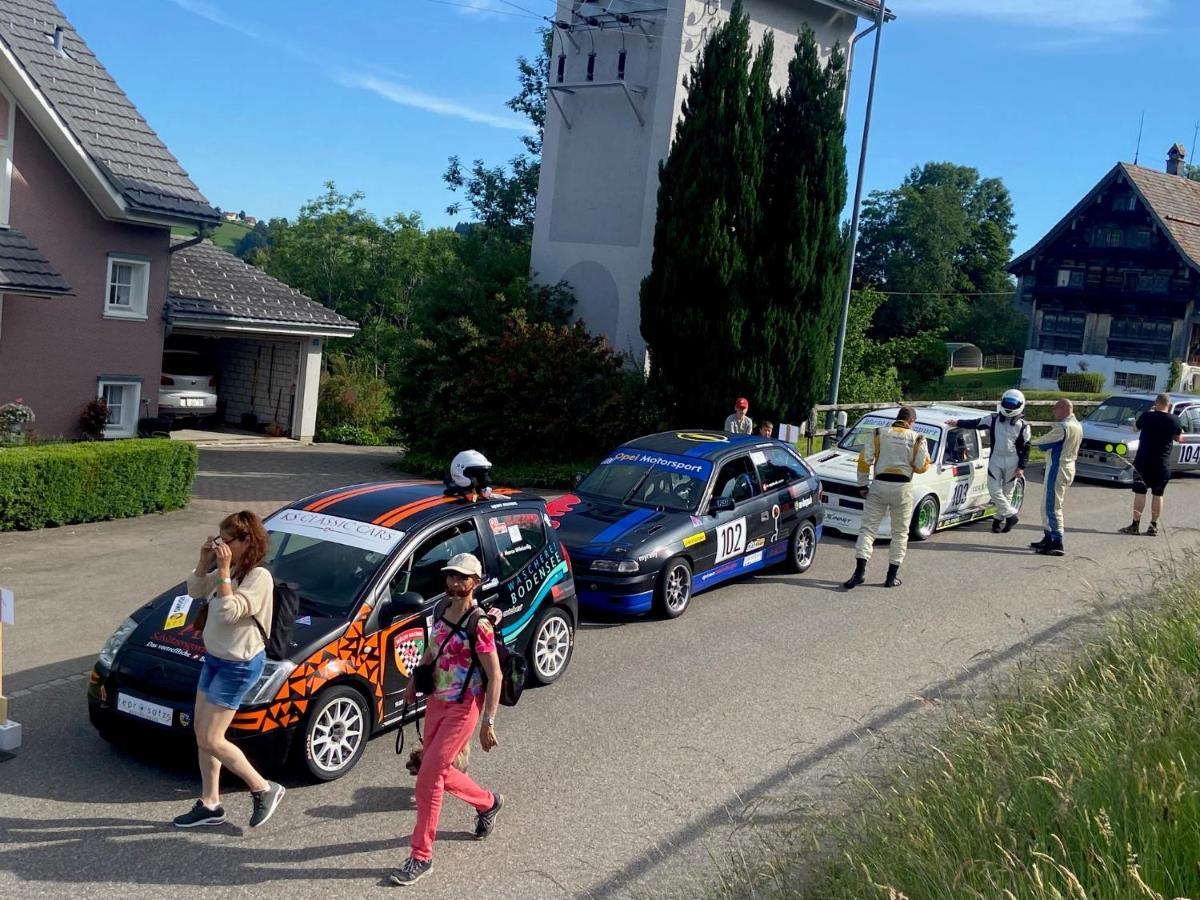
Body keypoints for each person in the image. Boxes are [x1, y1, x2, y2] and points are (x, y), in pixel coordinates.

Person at [390, 553, 503, 887]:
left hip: (463, 707)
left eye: (463, 578)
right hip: (436, 702)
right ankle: (488, 803)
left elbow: (494, 675)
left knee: (427, 778)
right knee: (439, 771)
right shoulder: (440, 608)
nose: (455, 583)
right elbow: (431, 647)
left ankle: (421, 856)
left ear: (476, 582)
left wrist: (488, 722)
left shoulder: (478, 624)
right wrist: (414, 681)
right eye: (451, 576)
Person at [174, 511, 285, 829]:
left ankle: (264, 788)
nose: (221, 545)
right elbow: (195, 591)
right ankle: (210, 803)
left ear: (247, 541)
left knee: (212, 738)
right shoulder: (233, 568)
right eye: (219, 539)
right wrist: (204, 560)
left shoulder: (258, 578)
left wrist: (222, 570)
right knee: (201, 733)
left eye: (227, 540)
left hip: (238, 666)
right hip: (214, 659)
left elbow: (227, 613)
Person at [843, 406, 931, 590]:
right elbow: (921, 466)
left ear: (897, 418)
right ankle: (891, 577)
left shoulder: (878, 433)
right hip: (902, 487)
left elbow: (863, 460)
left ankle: (859, 573)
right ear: (911, 422)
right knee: (899, 533)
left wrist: (862, 485)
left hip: (879, 485)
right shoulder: (918, 438)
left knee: (867, 529)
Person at [945, 389, 1031, 534]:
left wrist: (1022, 467)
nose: (1009, 407)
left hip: (1013, 460)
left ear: (1020, 405)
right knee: (994, 490)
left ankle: (998, 520)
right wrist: (957, 422)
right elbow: (975, 423)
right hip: (996, 457)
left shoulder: (1024, 426)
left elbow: (1027, 447)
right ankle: (1010, 515)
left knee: (1007, 492)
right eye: (1007, 404)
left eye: (1013, 405)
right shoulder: (993, 418)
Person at [1118, 393, 1183, 536]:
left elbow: (1135, 428)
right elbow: (1179, 439)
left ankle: (1135, 525)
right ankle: (1153, 526)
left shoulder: (1147, 416)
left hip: (1143, 461)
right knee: (1158, 494)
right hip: (1162, 463)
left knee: (1140, 492)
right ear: (1169, 405)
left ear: (1156, 403)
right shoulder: (1174, 420)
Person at [1029, 398, 1083, 556]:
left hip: (1058, 467)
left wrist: (1029, 441)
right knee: (1047, 504)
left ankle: (1057, 542)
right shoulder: (1078, 425)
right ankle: (1048, 536)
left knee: (1052, 506)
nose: (1053, 412)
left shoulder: (1063, 427)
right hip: (1068, 466)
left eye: (1056, 409)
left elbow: (1043, 444)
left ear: (1064, 409)